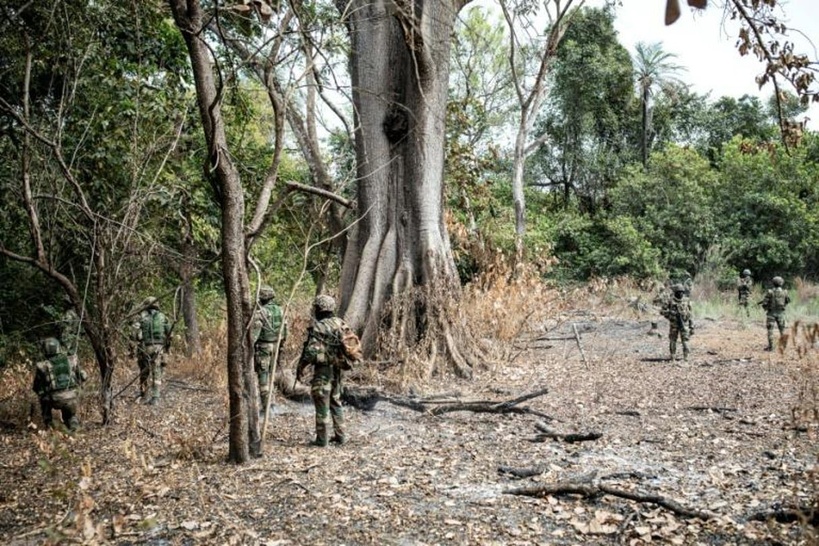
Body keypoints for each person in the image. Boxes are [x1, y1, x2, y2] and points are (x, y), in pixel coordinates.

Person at [296, 295, 356, 447]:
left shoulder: (319, 326)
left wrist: (302, 366)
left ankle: (322, 440)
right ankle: (341, 436)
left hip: (324, 371)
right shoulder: (341, 323)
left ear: (319, 309)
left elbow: (310, 353)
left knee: (322, 401)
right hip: (339, 371)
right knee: (335, 401)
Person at [33, 337, 87, 431]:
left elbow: (36, 387)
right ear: (58, 348)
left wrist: (44, 393)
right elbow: (84, 376)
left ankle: (49, 424)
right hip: (72, 397)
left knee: (43, 398)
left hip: (55, 399)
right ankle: (73, 424)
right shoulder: (71, 360)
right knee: (70, 415)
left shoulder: (42, 366)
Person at [252, 285, 287, 415]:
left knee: (263, 376)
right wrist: (281, 345)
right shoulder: (281, 310)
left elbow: (254, 334)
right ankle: (272, 403)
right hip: (276, 346)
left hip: (264, 348)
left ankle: (266, 407)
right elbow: (285, 331)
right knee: (272, 375)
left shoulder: (261, 312)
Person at [130, 297, 171, 405]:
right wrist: (167, 349)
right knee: (156, 371)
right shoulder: (163, 317)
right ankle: (155, 398)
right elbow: (169, 334)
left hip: (145, 347)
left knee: (144, 371)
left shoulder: (140, 317)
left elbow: (134, 334)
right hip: (159, 348)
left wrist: (132, 349)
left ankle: (143, 394)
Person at [661, 284, 694, 361]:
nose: (681, 293)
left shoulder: (686, 300)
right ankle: (673, 356)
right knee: (673, 340)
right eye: (679, 292)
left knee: (685, 340)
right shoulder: (670, 301)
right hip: (674, 324)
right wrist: (671, 314)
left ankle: (686, 357)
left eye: (682, 292)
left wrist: (691, 326)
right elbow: (662, 311)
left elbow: (690, 314)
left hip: (684, 323)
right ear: (675, 292)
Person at [760, 276, 790, 351]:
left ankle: (771, 347)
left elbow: (764, 303)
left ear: (773, 283)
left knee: (770, 331)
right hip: (781, 314)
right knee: (782, 330)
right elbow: (787, 301)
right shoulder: (785, 292)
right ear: (781, 283)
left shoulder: (770, 292)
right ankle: (784, 346)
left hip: (771, 314)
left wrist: (767, 308)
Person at [59, 295, 81, 366]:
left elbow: (66, 330)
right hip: (74, 340)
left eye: (65, 302)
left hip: (68, 341)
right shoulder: (76, 314)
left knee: (63, 360)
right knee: (72, 361)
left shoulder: (68, 314)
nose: (63, 304)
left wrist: (63, 341)